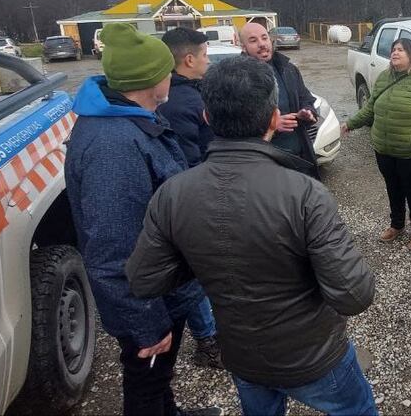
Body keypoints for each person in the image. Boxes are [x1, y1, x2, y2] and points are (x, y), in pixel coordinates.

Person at [127, 55, 377, 416]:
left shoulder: (173, 194)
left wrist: (199, 259)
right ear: (275, 117)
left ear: (207, 118)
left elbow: (143, 279)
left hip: (243, 356)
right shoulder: (305, 194)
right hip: (314, 356)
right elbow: (354, 295)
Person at [64, 23, 219, 416]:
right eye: (165, 71)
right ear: (152, 81)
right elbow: (114, 249)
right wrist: (144, 323)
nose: (171, 76)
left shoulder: (129, 120)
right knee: (145, 379)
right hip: (149, 299)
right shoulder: (113, 146)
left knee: (159, 374)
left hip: (163, 289)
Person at [156, 27, 223, 370]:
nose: (208, 61)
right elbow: (187, 161)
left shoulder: (182, 94)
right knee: (192, 272)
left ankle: (208, 332)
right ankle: (207, 340)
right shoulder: (182, 103)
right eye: (206, 55)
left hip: (191, 196)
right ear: (189, 59)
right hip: (191, 201)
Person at [341, 38, 411, 252]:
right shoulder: (384, 77)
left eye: (401, 50)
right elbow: (370, 108)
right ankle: (396, 225)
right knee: (393, 188)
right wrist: (351, 123)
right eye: (394, 49)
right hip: (385, 149)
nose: (395, 53)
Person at [239, 22, 320, 177]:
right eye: (253, 40)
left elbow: (306, 98)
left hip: (300, 157)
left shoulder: (288, 69)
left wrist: (307, 112)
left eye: (264, 38)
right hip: (265, 163)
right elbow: (238, 124)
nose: (262, 44)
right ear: (243, 47)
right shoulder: (239, 78)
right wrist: (272, 127)